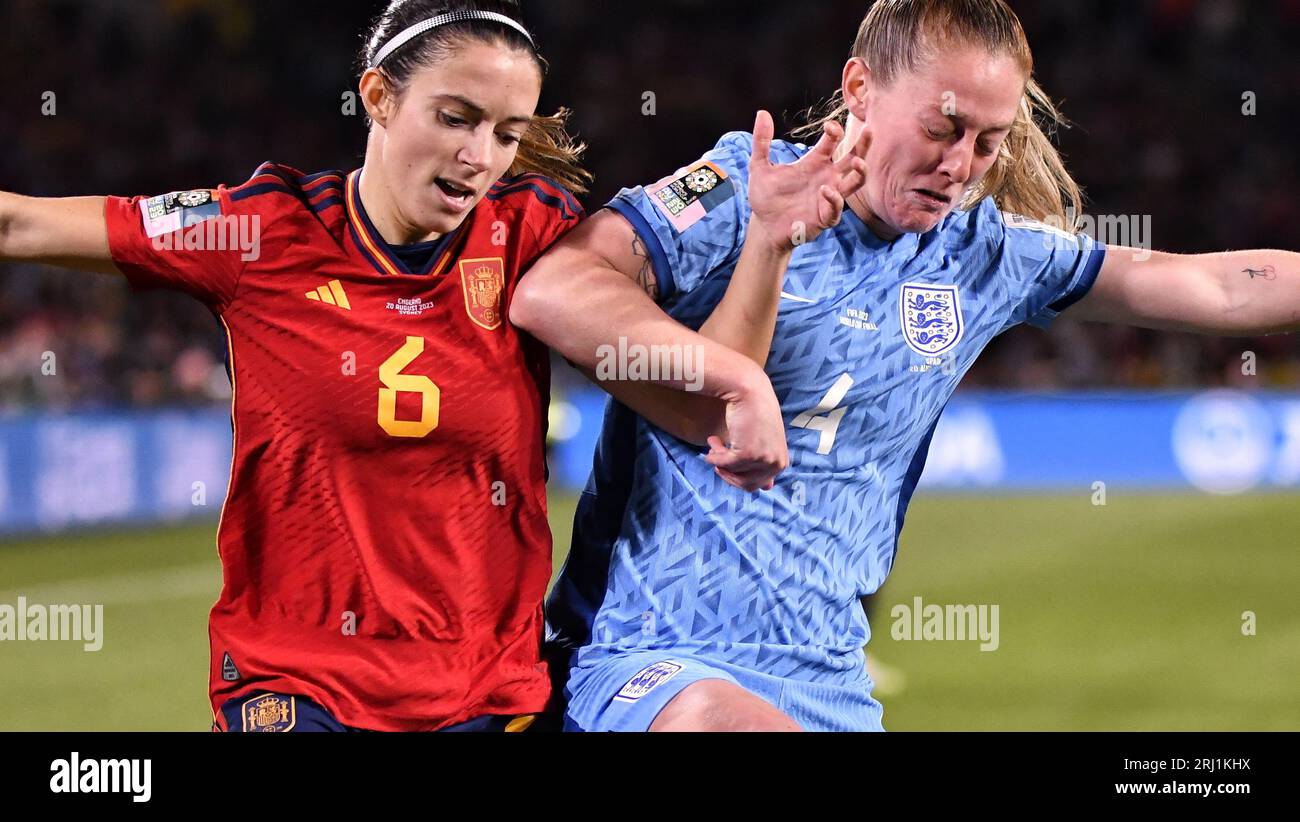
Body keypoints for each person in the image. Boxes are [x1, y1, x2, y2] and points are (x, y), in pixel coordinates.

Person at [0, 0, 794, 732]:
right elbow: (20, 225)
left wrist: (767, 243)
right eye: (456, 118)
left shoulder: (536, 240)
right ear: (377, 97)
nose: (480, 156)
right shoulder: (259, 233)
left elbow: (698, 388)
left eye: (509, 133)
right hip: (297, 687)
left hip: (486, 693)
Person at [512, 0, 1300, 731]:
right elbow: (555, 288)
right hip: (641, 660)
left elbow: (1221, 288)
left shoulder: (985, 257)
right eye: (944, 128)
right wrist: (733, 372)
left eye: (989, 143)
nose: (962, 164)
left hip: (828, 683)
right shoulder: (742, 188)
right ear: (860, 87)